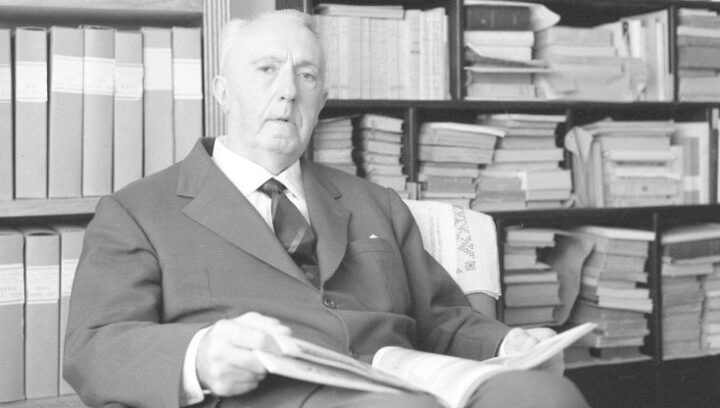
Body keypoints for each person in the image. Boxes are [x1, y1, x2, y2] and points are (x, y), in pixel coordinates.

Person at [63, 10, 590, 408]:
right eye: (266, 69)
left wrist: (510, 342)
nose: (288, 91)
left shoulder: (375, 202)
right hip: (269, 396)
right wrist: (198, 355)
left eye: (307, 76)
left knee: (547, 396)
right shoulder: (138, 211)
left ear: (321, 99)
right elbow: (93, 348)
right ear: (222, 91)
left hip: (402, 381)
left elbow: (442, 320)